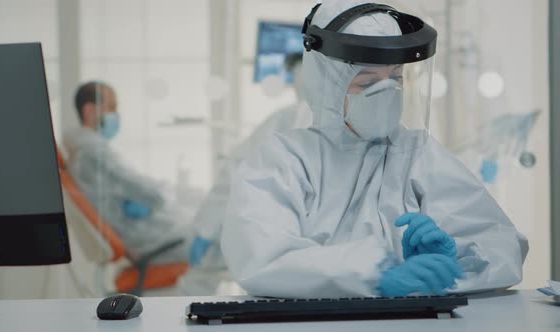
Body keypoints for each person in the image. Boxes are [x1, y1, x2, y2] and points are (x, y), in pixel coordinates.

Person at [221, 0, 528, 299]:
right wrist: (375, 275)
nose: (387, 94)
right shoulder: (284, 160)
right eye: (367, 83)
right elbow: (262, 257)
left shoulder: (417, 154)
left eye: (396, 78)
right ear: (327, 85)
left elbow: (501, 244)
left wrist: (456, 259)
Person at [176, 53, 313, 295]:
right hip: (299, 238)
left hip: (281, 235)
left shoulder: (288, 118)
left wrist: (206, 227)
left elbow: (237, 169)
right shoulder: (342, 122)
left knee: (202, 274)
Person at [64, 81, 192, 264]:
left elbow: (130, 186)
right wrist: (167, 191)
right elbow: (153, 194)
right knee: (217, 241)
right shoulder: (92, 154)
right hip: (147, 241)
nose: (116, 116)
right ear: (90, 111)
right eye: (112, 108)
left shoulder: (85, 150)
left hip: (146, 233)